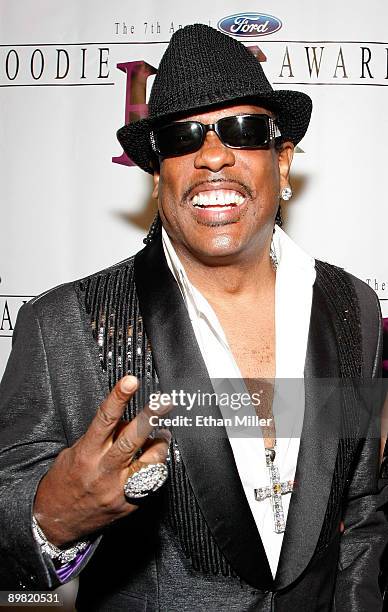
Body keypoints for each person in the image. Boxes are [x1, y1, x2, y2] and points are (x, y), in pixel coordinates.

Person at [0, 24, 386, 612]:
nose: (212, 155)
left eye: (243, 129)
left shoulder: (351, 305)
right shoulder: (64, 326)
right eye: (183, 138)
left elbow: (359, 509)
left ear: (282, 161)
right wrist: (49, 519)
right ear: (158, 175)